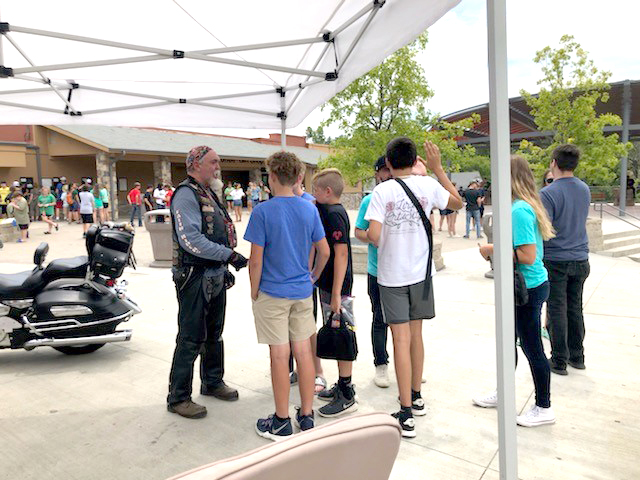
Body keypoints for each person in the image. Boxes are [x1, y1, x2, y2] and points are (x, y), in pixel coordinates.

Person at [365, 138, 462, 438]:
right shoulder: (429, 184)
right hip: (422, 274)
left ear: (389, 163)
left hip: (392, 276)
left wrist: (372, 233)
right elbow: (458, 203)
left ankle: (405, 411)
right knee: (416, 336)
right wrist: (438, 169)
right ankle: (416, 396)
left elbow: (375, 236)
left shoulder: (382, 191)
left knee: (400, 340)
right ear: (414, 159)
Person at [244, 151, 329, 440]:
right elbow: (325, 250)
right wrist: (312, 276)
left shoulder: (262, 212)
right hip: (302, 292)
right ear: (297, 177)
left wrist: (254, 290)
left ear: (272, 177)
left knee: (279, 356)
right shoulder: (309, 209)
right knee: (304, 353)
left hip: (272, 292)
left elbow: (255, 260)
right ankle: (306, 415)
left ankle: (281, 420)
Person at [167, 146, 248, 419]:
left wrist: (223, 263)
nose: (217, 167)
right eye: (213, 162)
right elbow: (191, 240)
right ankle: (178, 397)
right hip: (194, 277)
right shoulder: (186, 195)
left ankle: (212, 382)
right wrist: (229, 255)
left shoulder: (209, 193)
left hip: (214, 275)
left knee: (214, 333)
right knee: (190, 338)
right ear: (196, 164)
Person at [475, 155, 556, 428]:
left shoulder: (518, 211)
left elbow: (527, 255)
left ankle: (544, 406)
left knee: (532, 348)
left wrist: (491, 250)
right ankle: (504, 391)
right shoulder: (522, 206)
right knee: (508, 342)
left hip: (527, 289)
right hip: (525, 286)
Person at [540, 144, 591, 375]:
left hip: (556, 258)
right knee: (575, 308)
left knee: (557, 309)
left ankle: (559, 360)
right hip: (581, 256)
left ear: (554, 163)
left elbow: (545, 228)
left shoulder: (548, 193)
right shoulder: (584, 189)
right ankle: (577, 356)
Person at [311, 168, 357, 418]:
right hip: (329, 285)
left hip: (338, 287)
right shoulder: (326, 210)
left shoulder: (334, 213)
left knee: (342, 334)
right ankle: (342, 383)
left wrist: (337, 293)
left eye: (316, 190)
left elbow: (341, 253)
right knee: (336, 330)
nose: (312, 194)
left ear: (327, 192)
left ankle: (347, 391)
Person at [355, 156, 393, 388]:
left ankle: (408, 364)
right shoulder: (369, 200)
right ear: (378, 173)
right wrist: (372, 237)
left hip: (405, 271)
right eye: (385, 170)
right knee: (380, 318)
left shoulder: (405, 197)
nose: (388, 174)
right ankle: (381, 364)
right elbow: (359, 231)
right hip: (377, 270)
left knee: (406, 322)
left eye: (392, 169)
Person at [289, 165, 326, 394]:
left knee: (308, 328)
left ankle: (317, 371)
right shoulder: (281, 202)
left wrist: (312, 274)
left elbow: (317, 244)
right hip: (287, 280)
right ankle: (298, 369)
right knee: (290, 329)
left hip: (304, 278)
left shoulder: (310, 204)